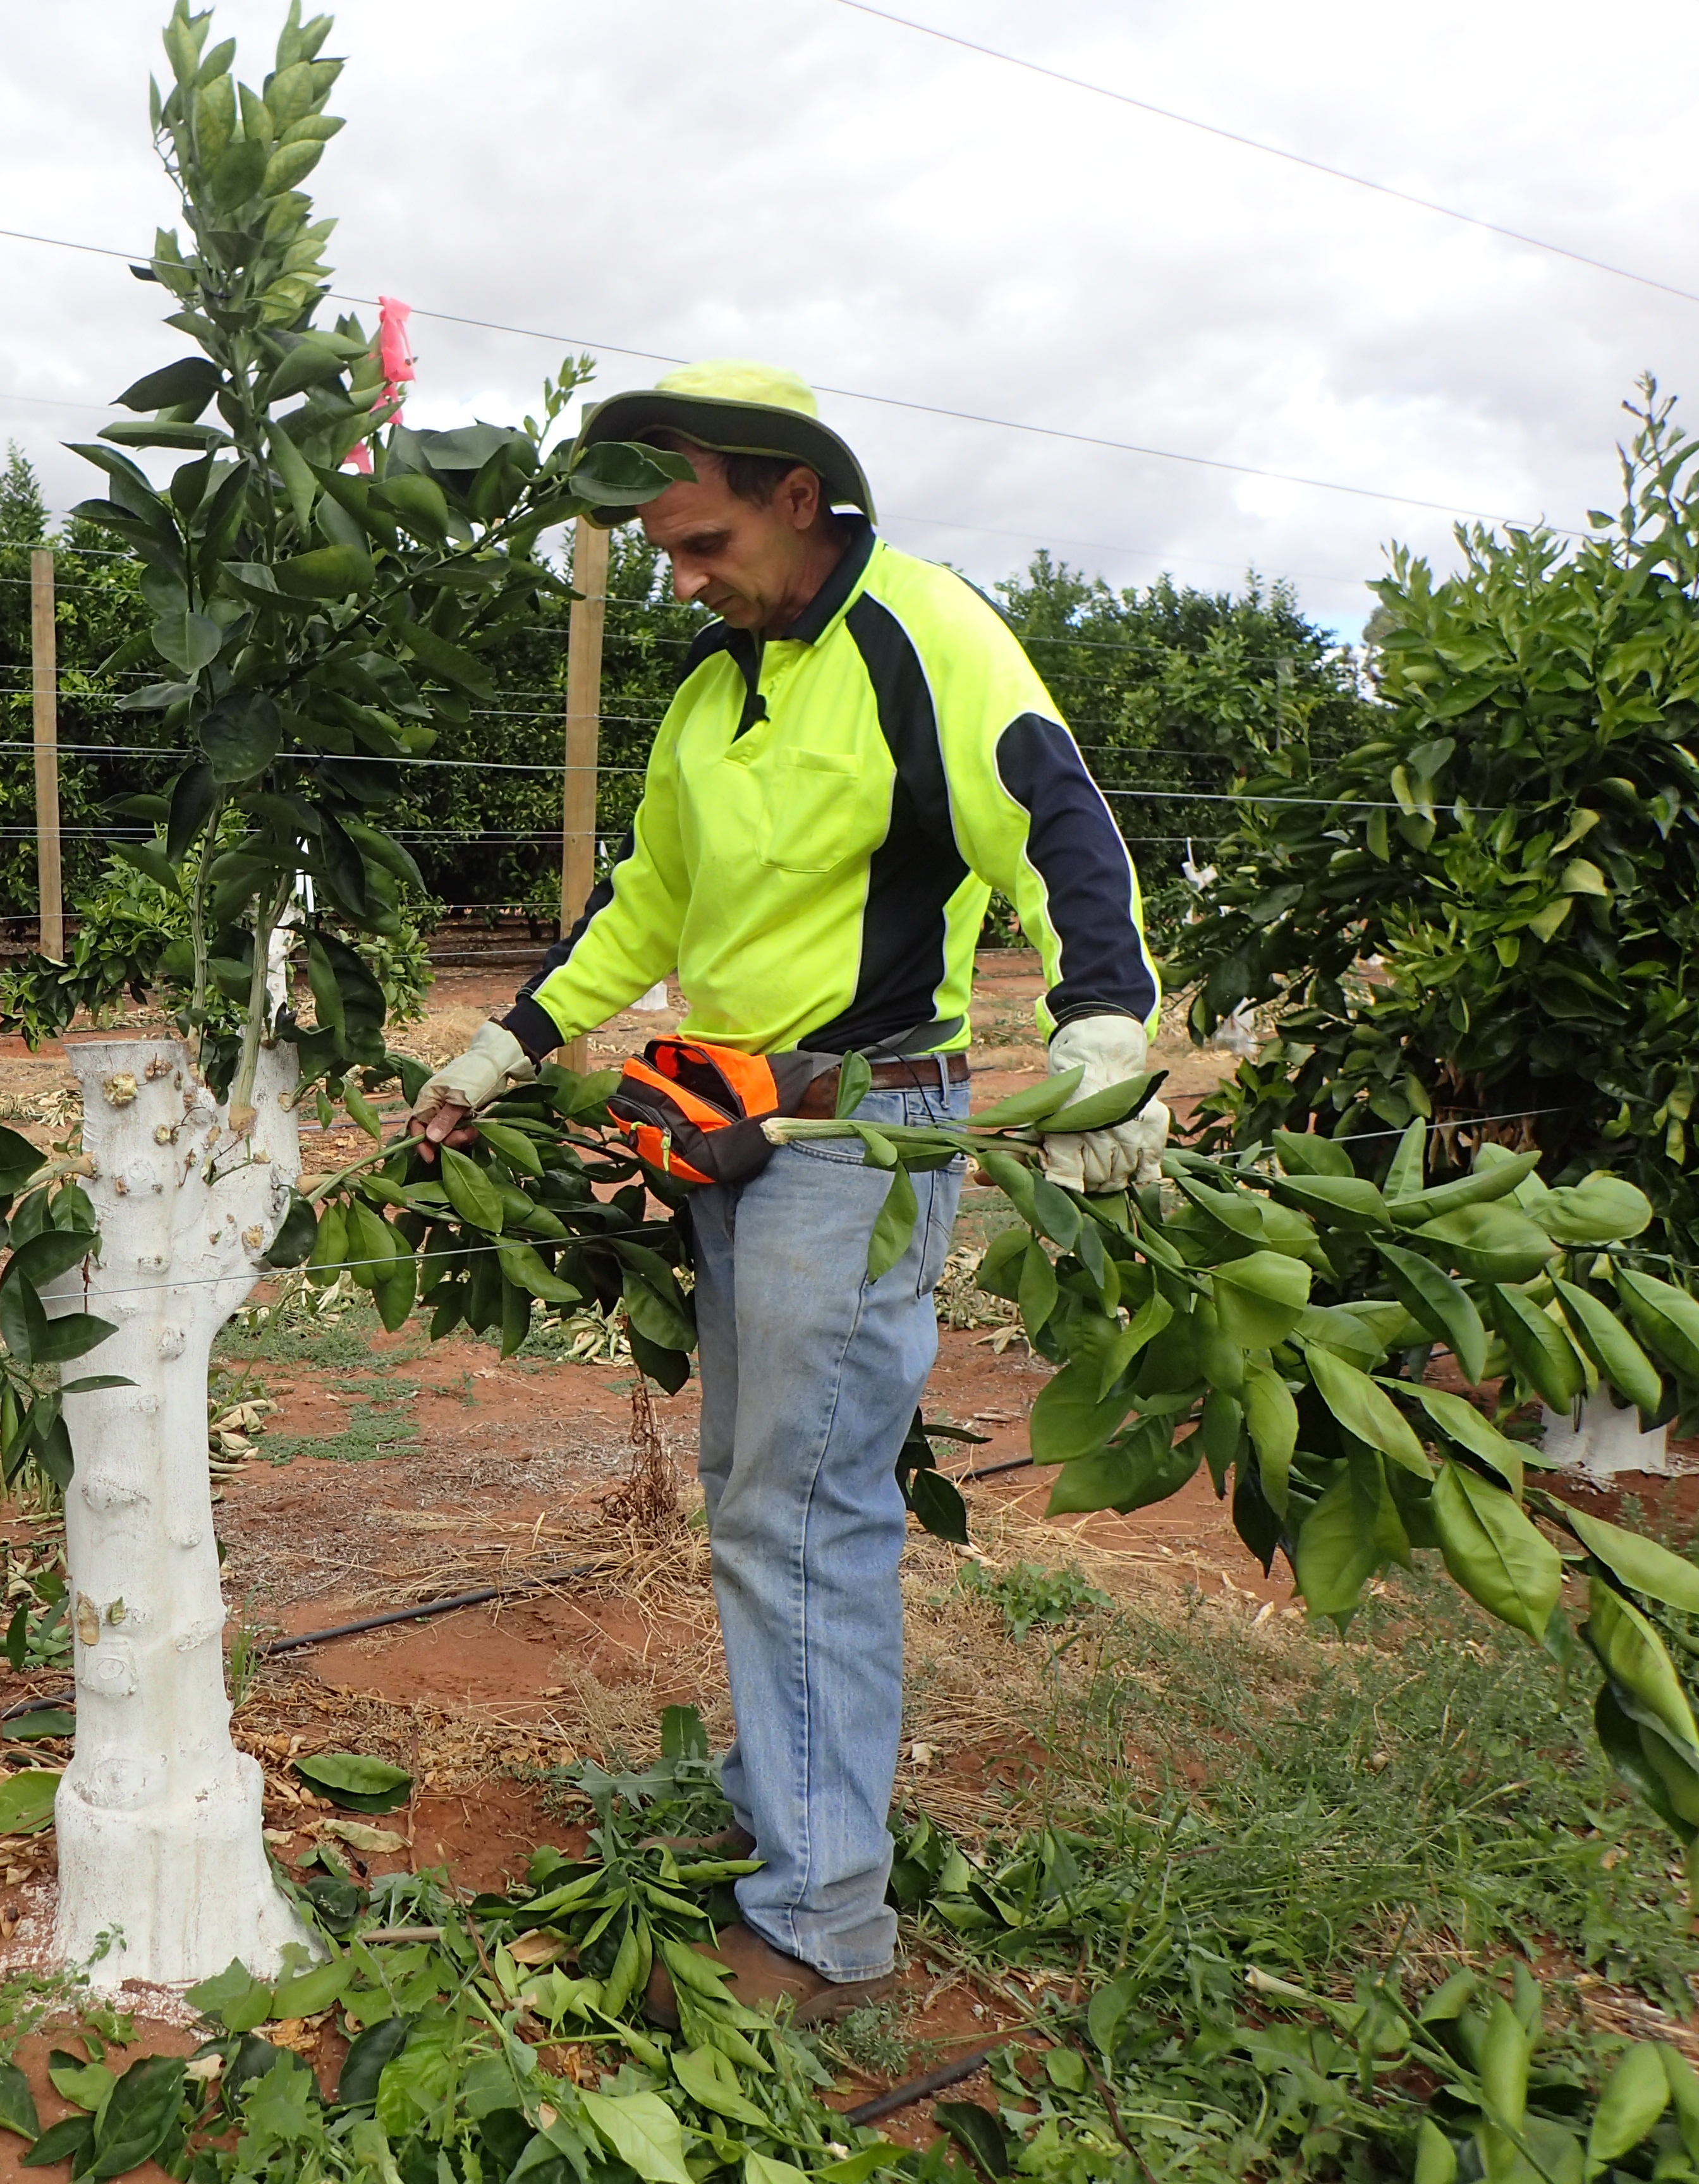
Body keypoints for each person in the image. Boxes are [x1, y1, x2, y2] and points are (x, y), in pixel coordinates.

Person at [409, 360, 1167, 2019]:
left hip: (870, 1131)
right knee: (759, 1490)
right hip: (735, 1137)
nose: (677, 574)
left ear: (794, 498)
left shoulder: (923, 634)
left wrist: (1109, 1022)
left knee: (804, 1511)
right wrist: (505, 1050)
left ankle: (824, 1923)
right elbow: (643, 913)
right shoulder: (709, 694)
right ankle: (790, 1814)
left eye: (694, 539)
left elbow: (1058, 816)